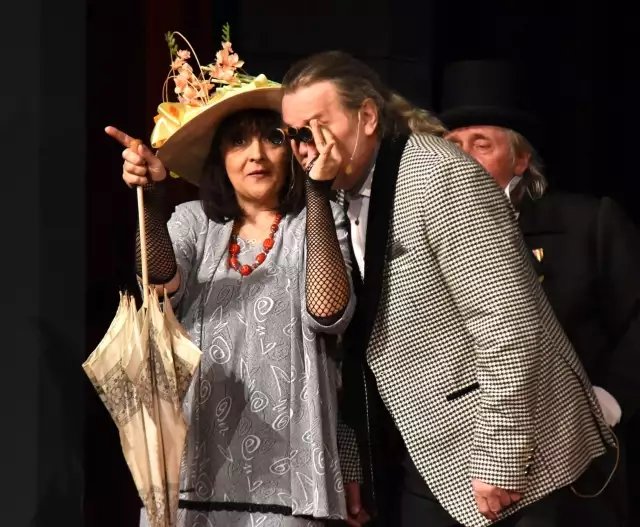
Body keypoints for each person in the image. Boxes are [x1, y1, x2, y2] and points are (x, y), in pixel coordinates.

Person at [280, 50, 615, 527]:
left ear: (367, 117)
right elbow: (348, 344)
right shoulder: (335, 196)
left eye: (317, 126)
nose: (306, 146)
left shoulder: (436, 173)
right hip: (426, 455)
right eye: (294, 134)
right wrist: (352, 463)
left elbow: (507, 320)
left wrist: (499, 457)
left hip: (509, 458)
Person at [105, 34, 361, 527]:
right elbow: (159, 286)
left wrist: (317, 194)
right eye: (238, 141)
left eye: (272, 139)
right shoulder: (194, 222)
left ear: (294, 149)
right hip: (194, 465)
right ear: (220, 157)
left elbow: (328, 313)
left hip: (290, 475)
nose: (256, 155)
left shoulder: (320, 220)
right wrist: (152, 202)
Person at [440, 59, 640, 527]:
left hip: (571, 466)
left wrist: (610, 398)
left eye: (481, 145)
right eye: (452, 146)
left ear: (520, 160)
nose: (462, 159)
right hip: (460, 467)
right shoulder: (421, 236)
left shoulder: (587, 223)